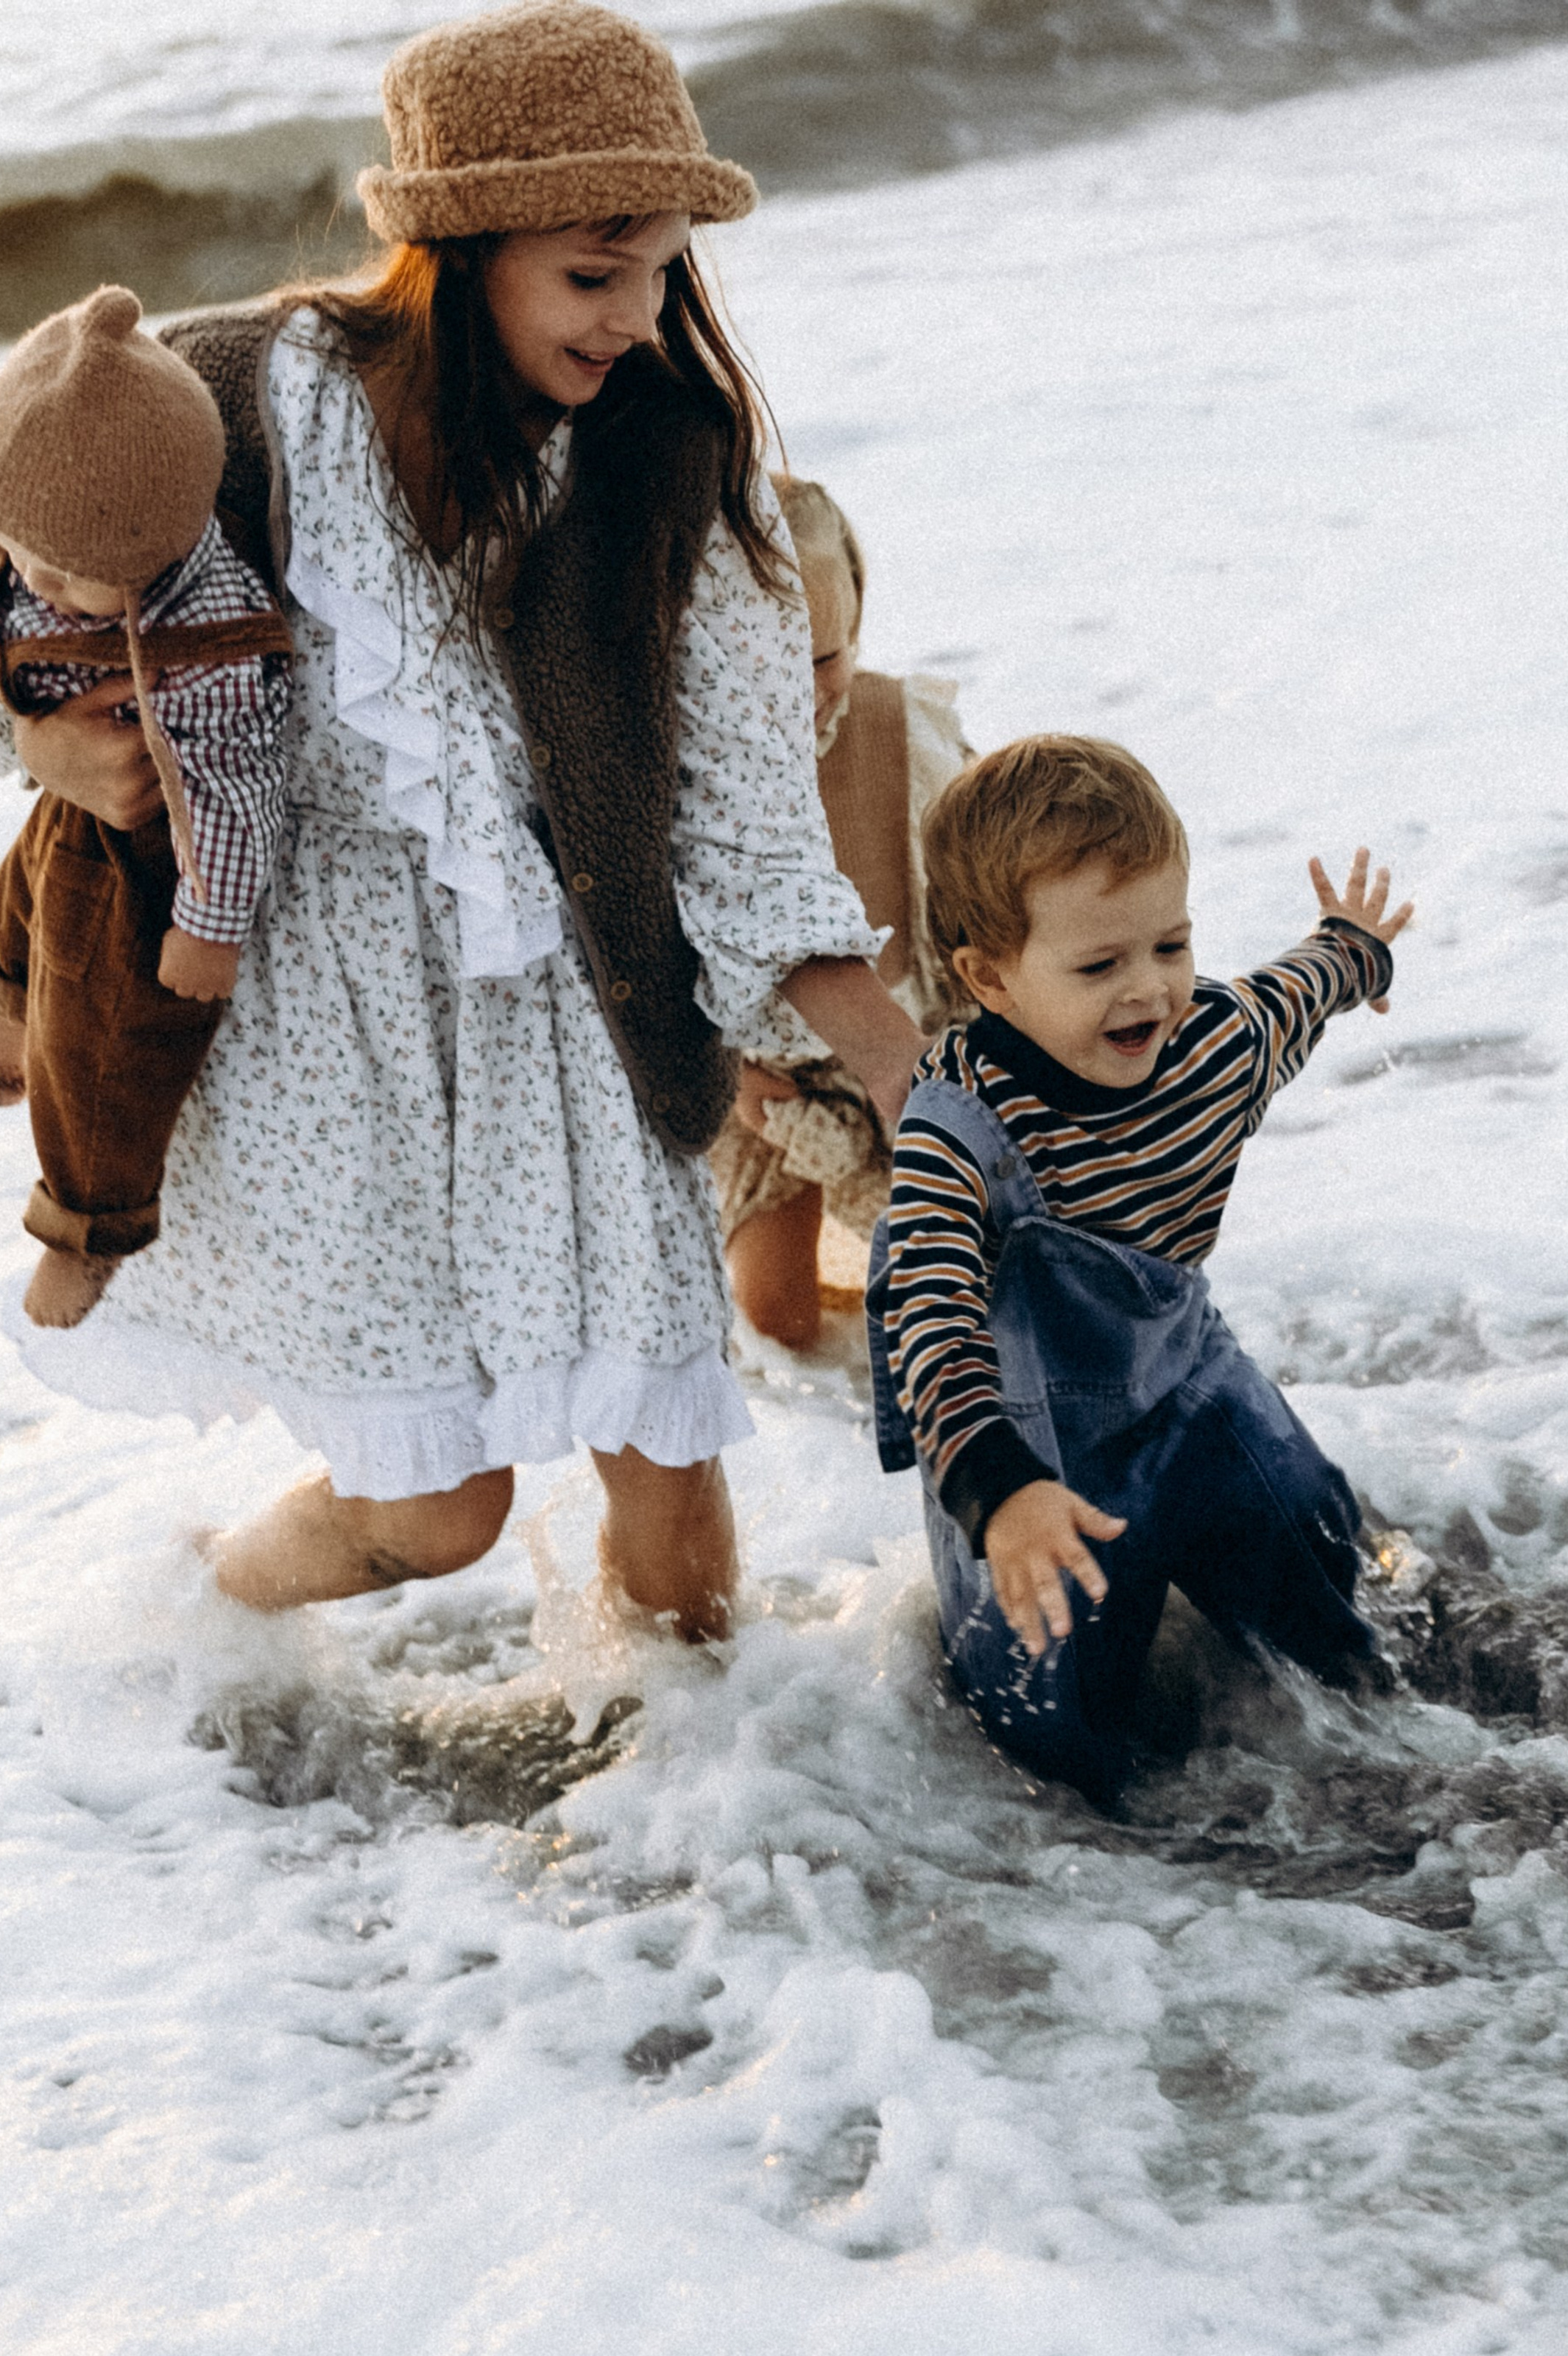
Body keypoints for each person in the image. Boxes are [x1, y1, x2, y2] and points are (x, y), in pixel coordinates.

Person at [1, 1, 922, 1636]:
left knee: (662, 1432)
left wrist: (898, 1061)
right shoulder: (219, 395)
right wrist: (48, 748)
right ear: (458, 245)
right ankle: (193, 1634)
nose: (639, 320)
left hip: (572, 1005)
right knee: (437, 1515)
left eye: (661, 271)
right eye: (592, 272)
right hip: (306, 1028)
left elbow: (743, 815)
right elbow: (28, 583)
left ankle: (717, 1819)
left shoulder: (669, 463)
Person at [866, 735, 1413, 1800]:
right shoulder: (958, 1130)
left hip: (1193, 1394)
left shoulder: (1214, 1042)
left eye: (1171, 944)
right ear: (989, 978)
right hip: (1026, 1446)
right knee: (1054, 1748)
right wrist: (997, 1486)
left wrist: (1357, 951)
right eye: (1099, 965)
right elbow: (929, 1318)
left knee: (1337, 1615)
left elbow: (1297, 995)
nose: (1151, 991)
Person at [0, 286, 293, 1330]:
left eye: (68, 573)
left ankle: (91, 1218)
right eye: (22, 548)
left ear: (156, 552)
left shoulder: (212, 636)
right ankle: (4, 1011)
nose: (36, 579)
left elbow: (238, 792)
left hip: (156, 861)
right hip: (65, 812)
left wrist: (210, 926)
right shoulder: (44, 534)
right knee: (16, 901)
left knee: (109, 1037)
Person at [710, 476, 969, 1348]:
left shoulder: (908, 738)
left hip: (902, 1047)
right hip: (761, 1077)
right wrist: (735, 1088)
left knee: (971, 1276)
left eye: (822, 658)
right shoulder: (686, 769)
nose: (796, 691)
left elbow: (1009, 893)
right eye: (765, 663)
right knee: (775, 1317)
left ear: (855, 632)